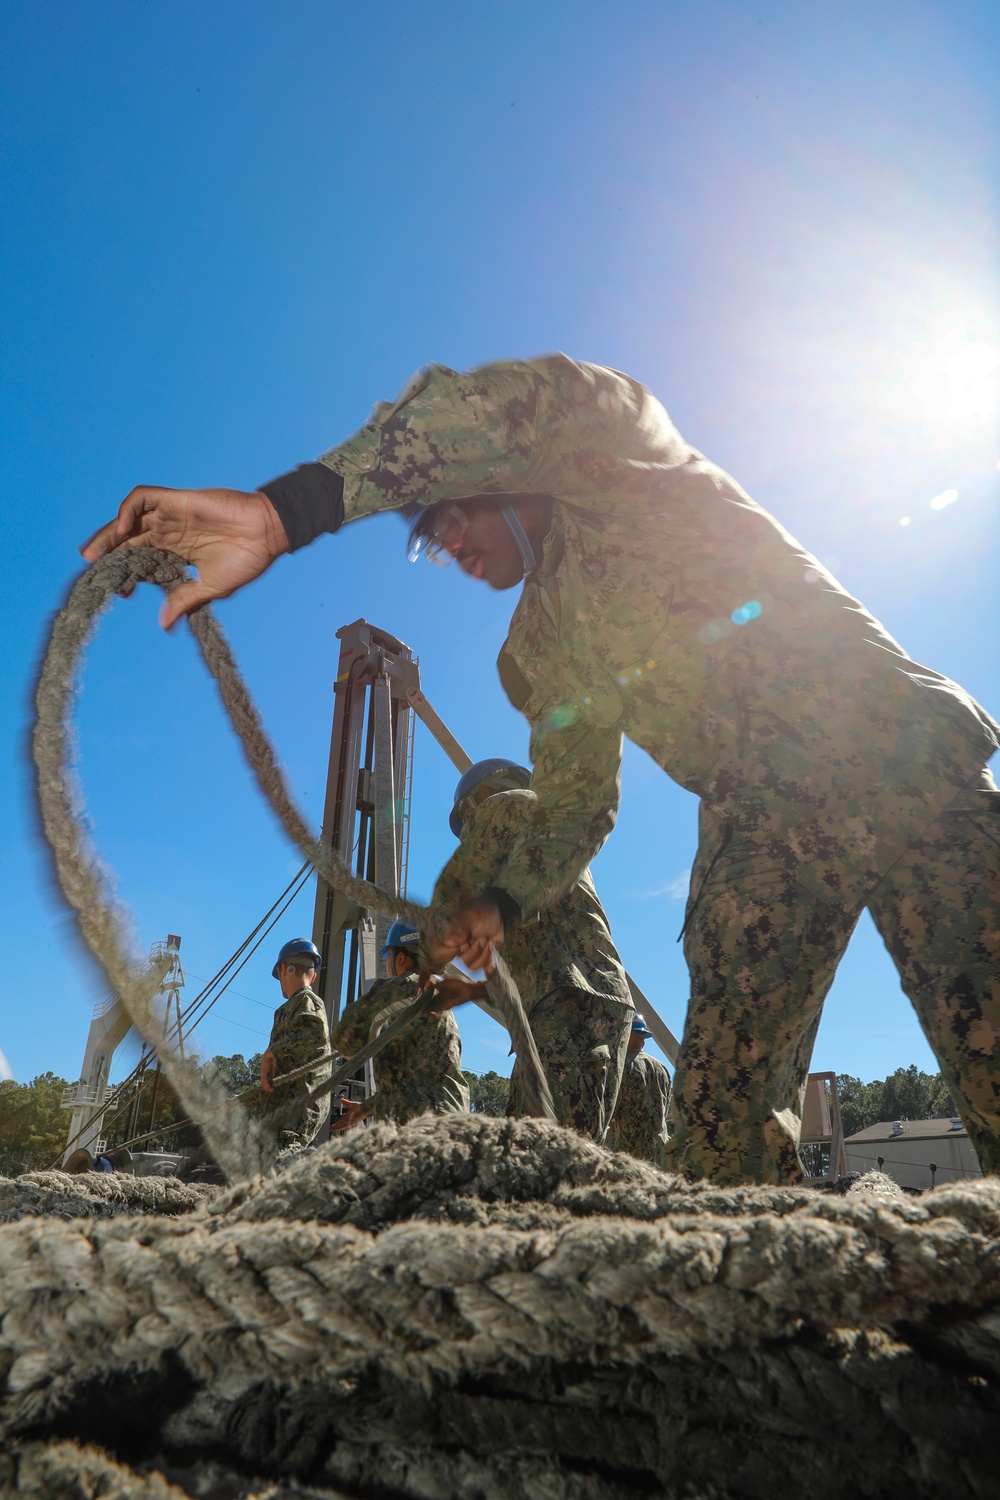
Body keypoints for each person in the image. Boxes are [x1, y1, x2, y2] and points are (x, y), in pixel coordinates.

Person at [81, 354, 1000, 1184]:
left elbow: (502, 408)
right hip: (759, 838)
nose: (448, 549)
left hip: (895, 761)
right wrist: (495, 907)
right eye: (427, 540)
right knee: (719, 1142)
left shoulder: (627, 470)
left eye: (449, 517)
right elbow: (576, 806)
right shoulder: (538, 648)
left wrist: (285, 514)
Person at [431, 758, 633, 1144]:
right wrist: (475, 990)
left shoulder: (510, 805)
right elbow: (535, 946)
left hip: (568, 1003)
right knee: (549, 1159)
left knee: (542, 1158)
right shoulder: (531, 842)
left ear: (478, 801)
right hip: (571, 1004)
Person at [330, 921, 470, 1127]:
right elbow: (420, 1079)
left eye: (389, 957)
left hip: (418, 1130)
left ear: (401, 957)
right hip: (452, 1124)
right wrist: (367, 1108)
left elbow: (347, 1042)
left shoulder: (406, 985)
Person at [260, 938, 332, 1149]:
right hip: (285, 1108)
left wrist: (273, 1051)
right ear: (314, 974)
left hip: (298, 1110)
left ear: (284, 969)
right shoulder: (288, 1009)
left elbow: (315, 1034)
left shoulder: (307, 1001)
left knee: (283, 1160)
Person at [611, 1015, 671, 1169]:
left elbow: (610, 1113)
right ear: (643, 1040)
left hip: (630, 1155)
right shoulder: (662, 1069)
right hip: (660, 1153)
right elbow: (666, 1110)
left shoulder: (621, 1067)